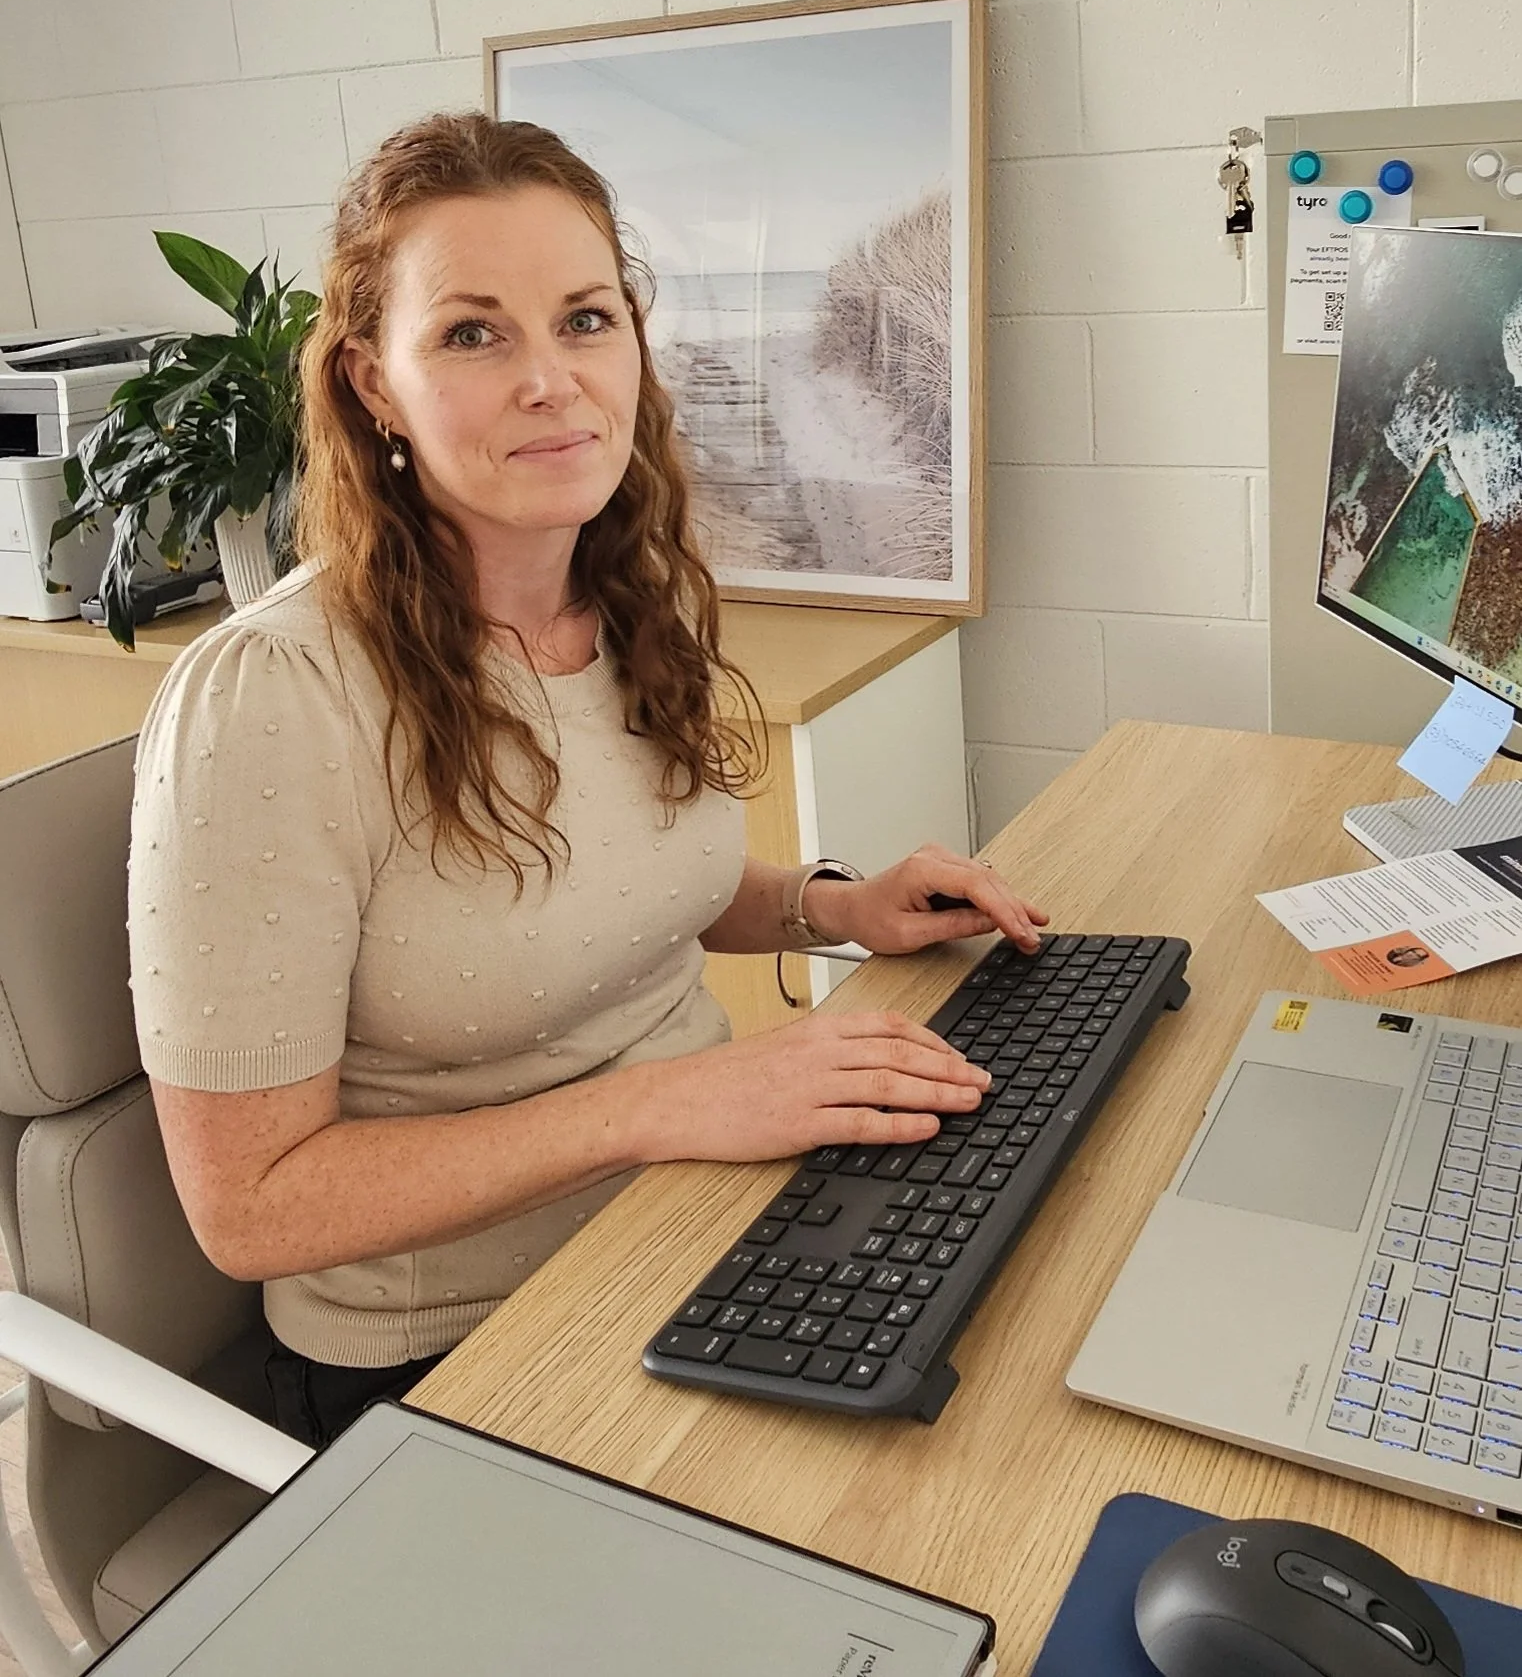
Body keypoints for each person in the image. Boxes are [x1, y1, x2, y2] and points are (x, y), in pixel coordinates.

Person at [128, 113, 1048, 1448]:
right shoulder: (269, 700)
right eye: (471, 332)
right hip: (457, 1357)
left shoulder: (624, 589)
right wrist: (665, 1106)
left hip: (700, 1227)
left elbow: (606, 890)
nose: (551, 379)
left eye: (585, 319)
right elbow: (251, 1209)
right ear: (373, 386)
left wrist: (830, 907)